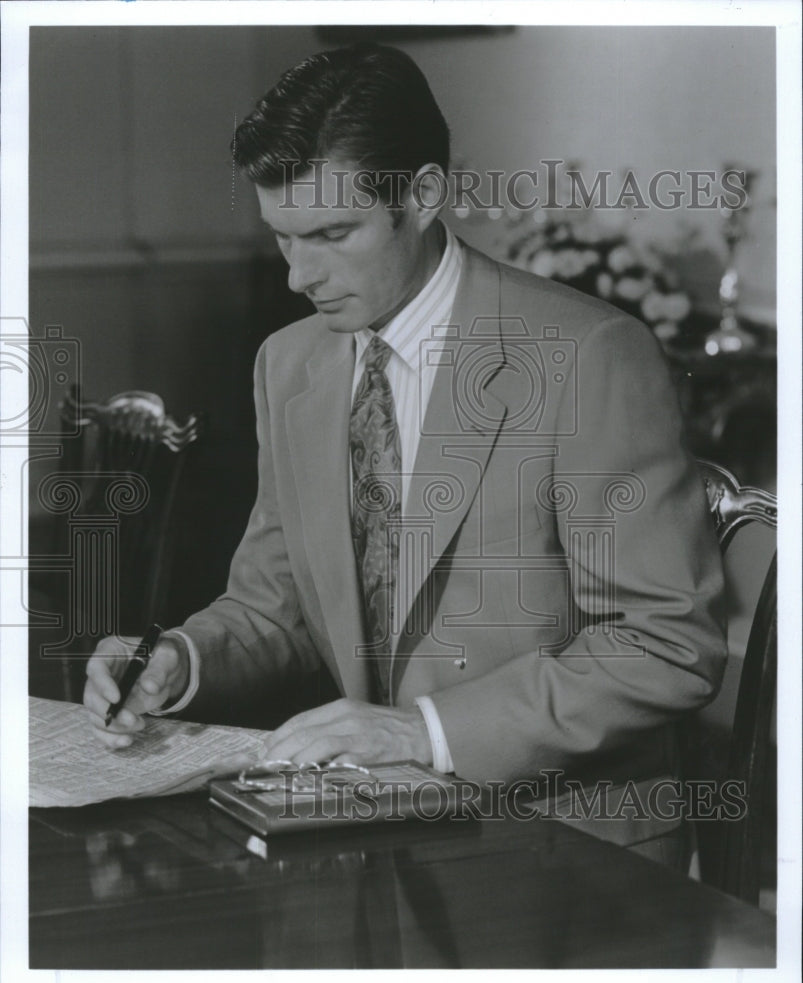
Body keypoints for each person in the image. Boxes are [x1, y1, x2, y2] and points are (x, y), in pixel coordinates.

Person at [84, 43, 727, 860]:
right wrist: (179, 659)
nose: (297, 276)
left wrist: (419, 731)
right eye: (284, 238)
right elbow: (273, 604)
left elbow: (663, 644)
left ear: (424, 194)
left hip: (566, 845)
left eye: (331, 233)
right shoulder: (289, 363)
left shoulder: (587, 353)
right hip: (379, 832)